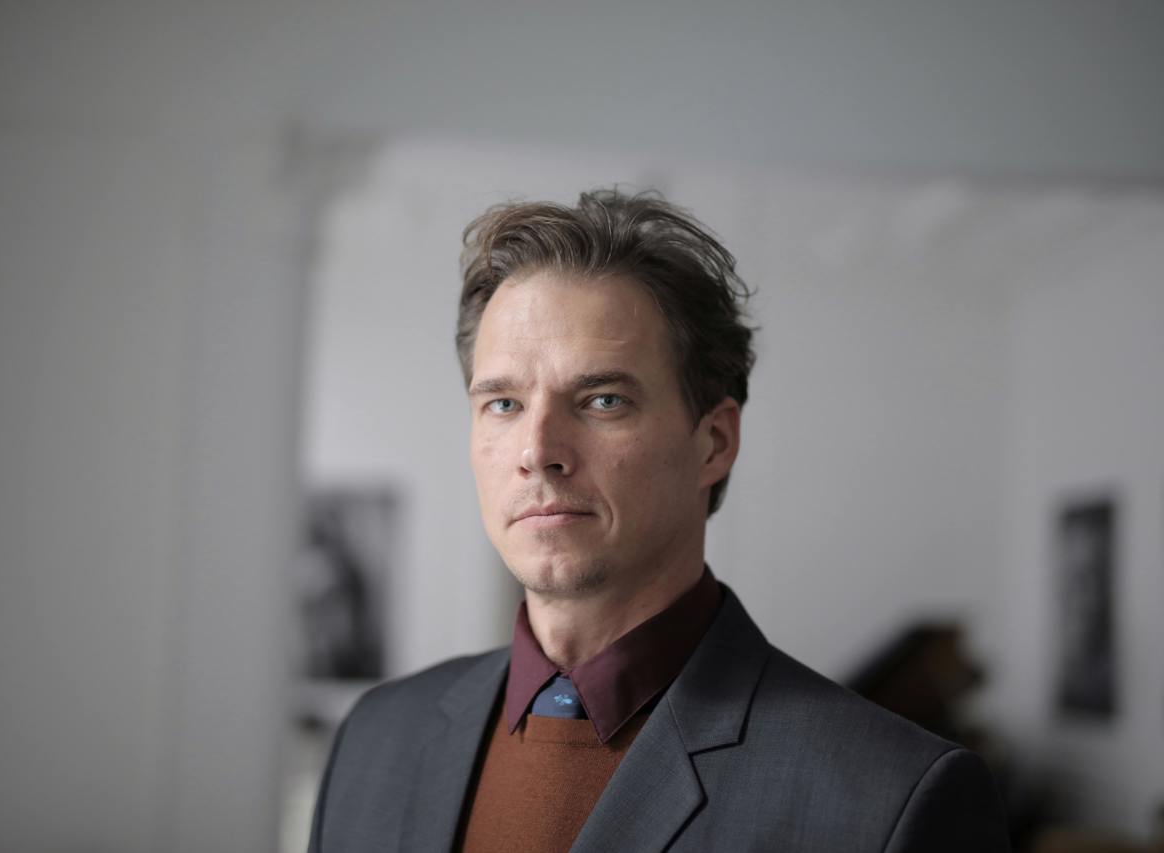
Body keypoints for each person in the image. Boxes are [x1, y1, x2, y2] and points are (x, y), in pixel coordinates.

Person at [310, 189, 1009, 852]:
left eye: (603, 400)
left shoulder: (890, 797)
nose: (538, 451)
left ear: (714, 442)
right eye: (503, 404)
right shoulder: (375, 739)